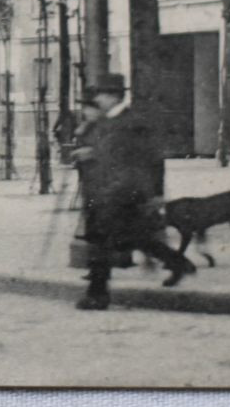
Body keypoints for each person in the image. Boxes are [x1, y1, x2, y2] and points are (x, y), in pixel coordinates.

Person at [70, 74, 194, 310]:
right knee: (136, 237)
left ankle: (98, 295)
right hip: (105, 190)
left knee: (102, 242)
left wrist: (156, 192)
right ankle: (177, 262)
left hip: (124, 191)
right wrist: (88, 153)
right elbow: (104, 152)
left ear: (115, 96)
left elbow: (154, 159)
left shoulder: (134, 122)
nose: (98, 99)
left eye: (102, 95)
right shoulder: (104, 123)